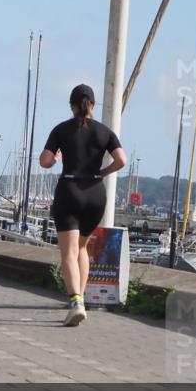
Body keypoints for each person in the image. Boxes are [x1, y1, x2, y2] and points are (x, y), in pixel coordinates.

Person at [39, 84, 126, 328]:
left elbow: (44, 161)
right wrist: (103, 172)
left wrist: (56, 157)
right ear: (93, 105)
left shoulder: (62, 129)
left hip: (69, 190)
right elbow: (122, 160)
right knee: (82, 249)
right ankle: (80, 299)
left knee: (68, 252)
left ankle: (75, 301)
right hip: (95, 194)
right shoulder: (104, 131)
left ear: (72, 106)